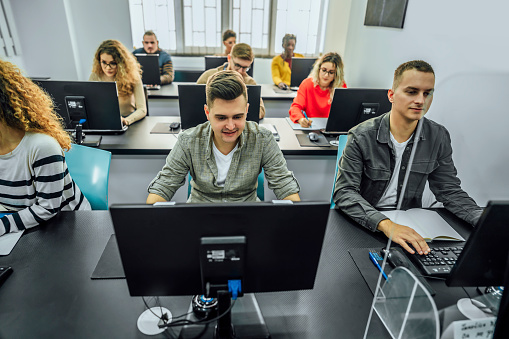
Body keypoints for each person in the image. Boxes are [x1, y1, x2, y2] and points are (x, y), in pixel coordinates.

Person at [333, 60, 483, 255]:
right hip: (365, 223)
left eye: (427, 93)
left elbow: (449, 190)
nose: (421, 100)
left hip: (411, 228)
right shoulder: (361, 136)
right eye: (412, 92)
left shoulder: (438, 136)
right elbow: (344, 192)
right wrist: (386, 225)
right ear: (391, 95)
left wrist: (485, 220)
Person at [147, 70, 300, 204]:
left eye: (238, 117)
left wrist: (296, 215)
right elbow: (164, 185)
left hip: (247, 215)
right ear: (207, 113)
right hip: (199, 214)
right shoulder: (188, 140)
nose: (231, 126)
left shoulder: (263, 139)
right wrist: (151, 219)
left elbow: (284, 184)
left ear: (247, 110)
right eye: (221, 118)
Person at [0, 59, 91, 236]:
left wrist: (3, 225)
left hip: (67, 225)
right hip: (21, 224)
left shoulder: (41, 147)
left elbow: (48, 208)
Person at [197, 43, 266, 119]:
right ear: (229, 58)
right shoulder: (208, 76)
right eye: (237, 65)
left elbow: (260, 111)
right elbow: (194, 104)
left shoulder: (250, 82)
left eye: (245, 68)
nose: (240, 71)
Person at [90, 39, 147, 126]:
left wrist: (126, 120)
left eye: (113, 63)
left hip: (128, 122)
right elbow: (90, 105)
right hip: (105, 122)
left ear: (121, 63)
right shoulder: (95, 76)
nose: (108, 68)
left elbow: (142, 109)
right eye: (104, 62)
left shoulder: (133, 76)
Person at [289, 52, 347, 127]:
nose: (326, 75)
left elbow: (344, 111)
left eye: (331, 72)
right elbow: (295, 107)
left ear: (336, 74)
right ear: (318, 69)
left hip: (331, 128)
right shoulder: (307, 84)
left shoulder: (341, 86)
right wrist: (300, 119)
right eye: (324, 70)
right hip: (311, 126)